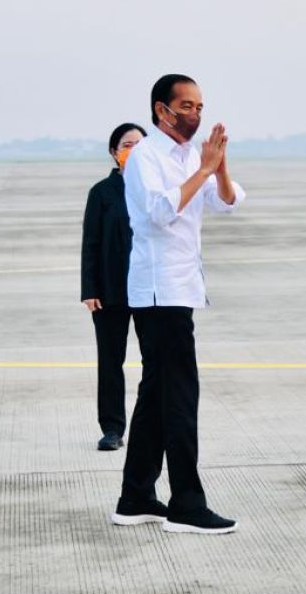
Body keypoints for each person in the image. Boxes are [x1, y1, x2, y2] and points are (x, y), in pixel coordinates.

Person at [111, 74, 244, 535]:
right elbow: (161, 211)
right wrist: (204, 170)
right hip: (157, 292)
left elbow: (227, 203)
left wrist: (218, 165)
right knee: (180, 398)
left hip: (181, 288)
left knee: (156, 394)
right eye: (185, 105)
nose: (195, 114)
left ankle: (136, 497)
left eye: (200, 106)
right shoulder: (146, 156)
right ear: (161, 110)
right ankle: (186, 502)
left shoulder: (191, 155)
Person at [81, 123, 145, 451]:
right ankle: (112, 428)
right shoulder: (101, 193)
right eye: (126, 144)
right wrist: (89, 290)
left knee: (157, 362)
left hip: (149, 290)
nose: (132, 149)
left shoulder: (155, 189)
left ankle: (153, 425)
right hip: (110, 291)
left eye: (139, 144)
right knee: (110, 361)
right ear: (113, 151)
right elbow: (90, 243)